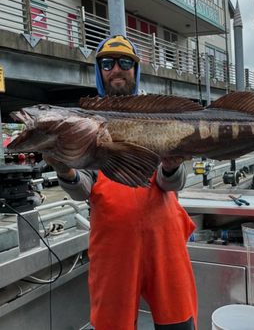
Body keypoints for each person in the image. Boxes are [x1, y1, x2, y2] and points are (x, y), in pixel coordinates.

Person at [44, 35, 198, 330]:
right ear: (99, 71)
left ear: (135, 70)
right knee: (113, 324)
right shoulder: (85, 122)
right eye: (107, 63)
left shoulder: (158, 114)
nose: (116, 69)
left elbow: (172, 184)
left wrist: (171, 167)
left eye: (125, 62)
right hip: (112, 242)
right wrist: (65, 171)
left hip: (163, 237)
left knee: (179, 321)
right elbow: (83, 188)